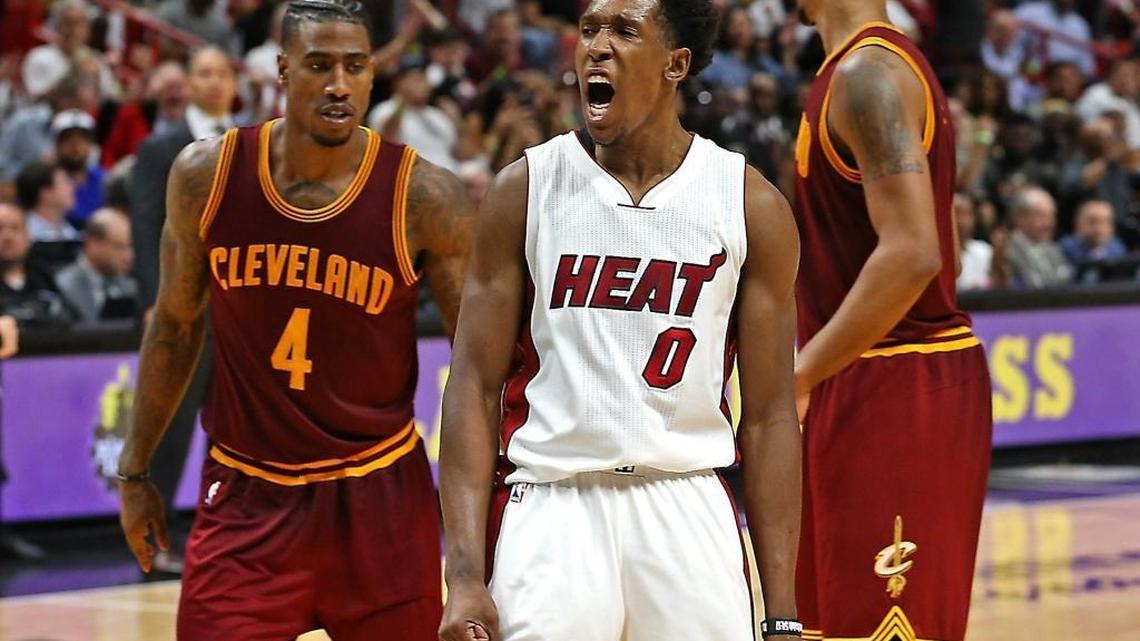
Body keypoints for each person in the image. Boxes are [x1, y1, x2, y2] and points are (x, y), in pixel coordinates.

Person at [439, 1, 802, 640]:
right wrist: (464, 574)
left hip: (688, 500)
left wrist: (782, 615)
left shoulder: (748, 203)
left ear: (676, 64)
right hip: (552, 505)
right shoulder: (525, 189)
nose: (596, 46)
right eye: (589, 30)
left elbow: (771, 416)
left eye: (624, 31)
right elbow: (472, 384)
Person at [116, 0, 473, 638]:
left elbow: (478, 364)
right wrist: (136, 470)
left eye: (355, 66)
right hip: (246, 497)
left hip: (380, 499)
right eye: (319, 65)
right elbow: (173, 328)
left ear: (373, 73)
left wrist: (482, 528)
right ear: (283, 70)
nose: (339, 84)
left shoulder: (424, 196)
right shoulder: (207, 176)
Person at [790, 3, 993, 641]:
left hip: (896, 384)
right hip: (858, 374)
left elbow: (914, 252)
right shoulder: (860, 69)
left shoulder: (868, 74)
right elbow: (941, 237)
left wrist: (798, 376)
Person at [126, 49, 239, 568]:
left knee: (238, 422)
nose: (213, 82)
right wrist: (156, 301)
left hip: (239, 307)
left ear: (234, 83)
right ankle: (153, 537)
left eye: (222, 73)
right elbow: (146, 226)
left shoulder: (251, 145)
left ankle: (229, 532)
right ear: (188, 82)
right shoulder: (160, 147)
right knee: (170, 422)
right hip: (182, 305)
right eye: (203, 73)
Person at [54, 207, 139, 322]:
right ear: (93, 244)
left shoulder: (133, 287)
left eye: (130, 247)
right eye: (120, 247)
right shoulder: (62, 287)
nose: (129, 256)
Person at [1004, 186, 1072, 288]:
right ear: (1020, 218)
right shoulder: (1007, 251)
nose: (1050, 223)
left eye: (1052, 216)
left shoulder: (1053, 248)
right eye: (1042, 216)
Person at [51, 109, 105, 227]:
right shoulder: (47, 181)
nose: (75, 146)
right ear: (57, 145)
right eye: (68, 139)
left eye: (82, 139)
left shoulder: (104, 178)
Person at [16, 160, 79, 243]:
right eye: (65, 182)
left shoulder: (70, 232)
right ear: (45, 193)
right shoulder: (25, 236)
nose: (73, 186)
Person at [1059, 200, 1128, 265]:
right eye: (1093, 222)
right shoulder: (1064, 249)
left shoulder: (1118, 250)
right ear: (1078, 224)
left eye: (1105, 222)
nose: (1099, 228)